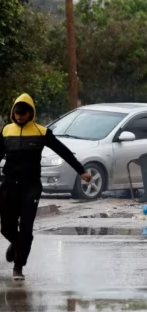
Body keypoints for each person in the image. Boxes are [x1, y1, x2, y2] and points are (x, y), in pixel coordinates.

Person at [0, 94, 91, 281]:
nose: (19, 118)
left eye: (23, 115)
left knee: (26, 227)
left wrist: (81, 171)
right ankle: (18, 244)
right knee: (6, 228)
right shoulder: (6, 131)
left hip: (30, 186)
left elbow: (63, 151)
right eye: (17, 114)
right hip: (9, 185)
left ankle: (18, 266)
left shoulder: (41, 132)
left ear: (30, 113)